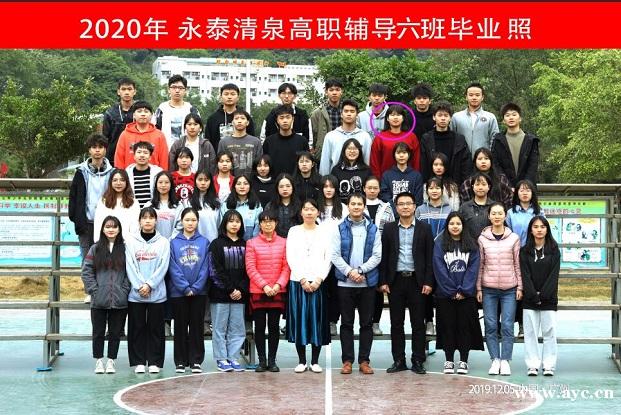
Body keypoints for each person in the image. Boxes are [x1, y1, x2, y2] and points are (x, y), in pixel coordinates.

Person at [379, 192, 434, 375]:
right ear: (396, 207)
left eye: (408, 203)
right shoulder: (389, 229)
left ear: (414, 206)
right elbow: (384, 256)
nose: (404, 207)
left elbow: (429, 257)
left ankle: (418, 360)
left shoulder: (425, 228)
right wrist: (383, 280)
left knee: (418, 323)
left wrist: (428, 281)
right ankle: (399, 360)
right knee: (396, 323)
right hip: (395, 281)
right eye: (401, 204)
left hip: (417, 281)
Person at [331, 193, 382, 375]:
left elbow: (377, 256)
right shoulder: (339, 228)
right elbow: (335, 255)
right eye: (353, 204)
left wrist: (360, 271)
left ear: (364, 206)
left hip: (367, 283)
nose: (356, 207)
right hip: (345, 284)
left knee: (366, 324)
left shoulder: (373, 229)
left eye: (359, 204)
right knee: (346, 323)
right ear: (348, 206)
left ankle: (364, 361)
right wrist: (350, 272)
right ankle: (347, 361)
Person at [432, 212, 483, 375]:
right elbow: (439, 268)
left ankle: (463, 360)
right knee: (447, 327)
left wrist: (463, 290)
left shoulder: (472, 245)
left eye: (458, 224)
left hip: (466, 296)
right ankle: (448, 360)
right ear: (447, 226)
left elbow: (473, 269)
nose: (455, 226)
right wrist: (452, 290)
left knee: (464, 328)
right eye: (452, 223)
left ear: (463, 226)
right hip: (445, 295)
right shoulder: (440, 244)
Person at [286, 199, 332, 373]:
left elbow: (328, 258)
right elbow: (290, 256)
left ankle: (315, 361)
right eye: (306, 209)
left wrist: (319, 279)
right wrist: (303, 279)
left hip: (318, 282)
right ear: (301, 212)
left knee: (316, 320)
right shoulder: (294, 231)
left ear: (318, 212)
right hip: (298, 281)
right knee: (300, 320)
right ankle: (301, 361)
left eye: (312, 209)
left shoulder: (324, 232)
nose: (309, 212)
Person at [476, 202, 523, 376]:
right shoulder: (482, 239)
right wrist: (478, 288)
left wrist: (520, 286)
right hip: (488, 289)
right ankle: (495, 359)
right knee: (490, 324)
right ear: (489, 216)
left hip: (510, 289)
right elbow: (480, 265)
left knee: (508, 325)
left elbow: (517, 264)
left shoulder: (514, 238)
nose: (497, 216)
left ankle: (505, 360)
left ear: (505, 216)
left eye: (500, 213)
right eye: (493, 213)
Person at [81, 216, 130, 374]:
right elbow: (86, 271)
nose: (111, 229)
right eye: (108, 227)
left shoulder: (125, 249)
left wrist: (124, 290)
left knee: (115, 333)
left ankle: (111, 361)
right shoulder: (95, 249)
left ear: (119, 229)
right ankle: (98, 361)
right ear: (102, 229)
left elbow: (131, 272)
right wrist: (94, 290)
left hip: (119, 300)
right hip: (99, 300)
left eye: (114, 227)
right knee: (98, 332)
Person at [126, 207, 170, 374]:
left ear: (156, 221)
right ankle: (138, 361)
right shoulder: (131, 241)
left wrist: (150, 284)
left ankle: (154, 361)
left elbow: (163, 266)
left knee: (155, 329)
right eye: (144, 218)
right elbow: (130, 265)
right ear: (139, 221)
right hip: (136, 294)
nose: (148, 221)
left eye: (151, 218)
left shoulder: (163, 242)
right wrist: (140, 286)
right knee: (136, 328)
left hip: (157, 294)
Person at [245, 210, 291, 372]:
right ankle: (261, 360)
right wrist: (264, 285)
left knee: (273, 326)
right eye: (264, 221)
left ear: (276, 223)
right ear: (260, 224)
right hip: (258, 291)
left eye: (271, 221)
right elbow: (250, 267)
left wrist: (278, 285)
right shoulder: (251, 243)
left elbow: (287, 267)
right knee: (259, 327)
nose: (268, 224)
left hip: (277, 291)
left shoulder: (284, 242)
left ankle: (272, 360)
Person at [168, 207, 210, 374]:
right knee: (180, 326)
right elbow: (173, 267)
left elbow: (205, 267)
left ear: (197, 222)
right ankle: (180, 361)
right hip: (178, 293)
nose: (190, 223)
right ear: (181, 221)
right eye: (187, 220)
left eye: (193, 220)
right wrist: (185, 287)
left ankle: (196, 360)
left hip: (199, 293)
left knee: (196, 326)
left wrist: (196, 287)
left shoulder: (204, 242)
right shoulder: (173, 242)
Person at [208, 209, 249, 372]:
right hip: (220, 295)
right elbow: (214, 270)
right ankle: (221, 358)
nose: (234, 224)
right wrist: (231, 289)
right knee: (219, 328)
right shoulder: (216, 244)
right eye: (231, 221)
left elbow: (249, 270)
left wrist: (240, 289)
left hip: (240, 296)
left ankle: (233, 357)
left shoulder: (246, 244)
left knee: (238, 328)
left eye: (237, 221)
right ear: (225, 223)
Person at [520, 216, 560, 377]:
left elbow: (553, 276)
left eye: (542, 227)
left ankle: (549, 365)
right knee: (530, 333)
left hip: (548, 299)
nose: (539, 230)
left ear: (547, 229)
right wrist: (533, 294)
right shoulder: (524, 251)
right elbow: (525, 275)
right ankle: (532, 365)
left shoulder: (554, 250)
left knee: (550, 332)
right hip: (529, 299)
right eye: (536, 227)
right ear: (531, 230)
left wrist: (543, 295)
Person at [69, 133, 113, 264]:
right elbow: (73, 198)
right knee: (87, 262)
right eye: (94, 147)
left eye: (100, 147)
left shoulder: (112, 173)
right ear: (89, 150)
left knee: (105, 261)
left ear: (105, 149)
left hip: (107, 225)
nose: (97, 150)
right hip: (86, 224)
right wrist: (78, 220)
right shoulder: (81, 172)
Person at [188, 170, 221, 336]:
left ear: (210, 182)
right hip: (193, 248)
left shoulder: (216, 203)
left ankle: (206, 322)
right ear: (195, 181)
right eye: (200, 179)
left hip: (212, 249)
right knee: (195, 284)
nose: (203, 183)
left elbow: (221, 226)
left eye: (206, 180)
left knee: (209, 285)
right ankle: (193, 321)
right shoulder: (188, 202)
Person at [363, 176, 395, 336]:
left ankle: (375, 322)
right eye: (369, 187)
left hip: (382, 254)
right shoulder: (357, 205)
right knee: (364, 290)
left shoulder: (386, 207)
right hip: (361, 255)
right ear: (364, 189)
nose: (372, 190)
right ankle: (365, 322)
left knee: (378, 289)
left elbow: (391, 231)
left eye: (375, 188)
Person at [420, 101, 472, 185]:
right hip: (433, 185)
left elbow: (466, 164)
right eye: (440, 115)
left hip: (455, 183)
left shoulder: (459, 139)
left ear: (450, 118)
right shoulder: (426, 139)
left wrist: (464, 185)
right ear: (434, 117)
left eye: (446, 115)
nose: (443, 118)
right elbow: (423, 164)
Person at [491, 103, 539, 188]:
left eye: (514, 114)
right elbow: (496, 166)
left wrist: (524, 186)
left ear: (520, 118)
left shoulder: (531, 141)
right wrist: (507, 186)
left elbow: (532, 167)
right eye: (507, 115)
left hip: (526, 189)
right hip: (504, 189)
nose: (511, 118)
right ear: (503, 120)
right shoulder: (498, 140)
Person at [319, 99, 372, 175]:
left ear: (357, 115)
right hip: (335, 178)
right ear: (341, 114)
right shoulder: (330, 136)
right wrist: (325, 180)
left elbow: (367, 161)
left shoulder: (365, 137)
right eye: (346, 111)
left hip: (358, 178)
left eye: (352, 111)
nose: (349, 114)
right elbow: (325, 163)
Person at [114, 101, 169, 170]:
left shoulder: (159, 135)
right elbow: (119, 158)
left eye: (146, 111)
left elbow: (164, 159)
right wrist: (120, 174)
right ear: (134, 115)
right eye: (139, 111)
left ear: (151, 115)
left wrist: (163, 174)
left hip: (154, 175)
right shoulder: (125, 134)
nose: (143, 114)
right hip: (129, 175)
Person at [370, 104, 420, 179]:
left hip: (408, 179)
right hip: (386, 180)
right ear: (387, 118)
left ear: (403, 118)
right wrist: (378, 180)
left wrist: (415, 178)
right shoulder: (379, 138)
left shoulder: (411, 137)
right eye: (392, 115)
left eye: (398, 115)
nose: (395, 117)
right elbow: (375, 161)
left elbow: (416, 160)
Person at [153, 74, 200, 151]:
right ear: (168, 89)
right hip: (165, 151)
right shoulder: (162, 109)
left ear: (185, 90)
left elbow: (198, 132)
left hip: (188, 152)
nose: (177, 91)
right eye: (174, 87)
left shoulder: (191, 110)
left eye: (180, 88)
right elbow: (155, 131)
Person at [93, 168, 140, 243]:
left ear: (127, 182)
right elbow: (98, 223)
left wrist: (131, 243)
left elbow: (135, 227)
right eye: (115, 180)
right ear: (110, 182)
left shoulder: (134, 202)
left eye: (122, 180)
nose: (118, 183)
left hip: (127, 243)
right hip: (106, 243)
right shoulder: (103, 201)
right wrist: (98, 242)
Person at [450, 82, 500, 153]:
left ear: (482, 97)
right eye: (471, 95)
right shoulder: (456, 117)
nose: (474, 98)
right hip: (461, 158)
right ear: (466, 97)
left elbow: (495, 140)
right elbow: (451, 138)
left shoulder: (490, 117)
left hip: (483, 158)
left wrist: (489, 156)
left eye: (477, 95)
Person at [205, 83, 256, 151]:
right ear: (221, 97)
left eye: (233, 94)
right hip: (220, 156)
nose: (229, 97)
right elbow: (209, 142)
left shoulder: (245, 117)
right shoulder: (213, 119)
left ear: (238, 97)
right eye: (226, 94)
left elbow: (252, 138)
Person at [263, 104, 309, 177]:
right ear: (277, 120)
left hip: (297, 182)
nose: (285, 120)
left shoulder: (302, 141)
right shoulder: (269, 141)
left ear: (293, 119)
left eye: (288, 117)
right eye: (281, 118)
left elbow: (306, 164)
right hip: (274, 181)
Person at [218, 109, 263, 177]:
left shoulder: (256, 142)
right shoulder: (223, 142)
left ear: (247, 122)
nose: (239, 121)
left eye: (242, 118)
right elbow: (220, 164)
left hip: (251, 180)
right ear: (232, 122)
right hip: (230, 181)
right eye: (236, 118)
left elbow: (260, 164)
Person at [102, 78, 136, 165]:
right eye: (123, 89)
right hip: (113, 158)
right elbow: (105, 138)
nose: (127, 92)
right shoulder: (110, 113)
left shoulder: (141, 111)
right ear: (118, 92)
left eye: (129, 89)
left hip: (137, 157)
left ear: (134, 92)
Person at [379, 142, 424, 207]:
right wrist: (395, 209)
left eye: (404, 152)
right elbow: (385, 196)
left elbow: (418, 199)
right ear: (394, 155)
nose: (401, 155)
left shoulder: (416, 176)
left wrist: (409, 209)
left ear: (409, 154)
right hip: (391, 211)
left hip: (411, 211)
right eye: (398, 153)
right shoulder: (386, 175)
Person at [219, 174, 263, 240]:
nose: (242, 187)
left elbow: (258, 228)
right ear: (234, 186)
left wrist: (253, 243)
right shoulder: (226, 205)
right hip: (229, 243)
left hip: (251, 243)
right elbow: (222, 226)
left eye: (245, 184)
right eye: (239, 184)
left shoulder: (256, 206)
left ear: (250, 186)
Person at [330, 138, 372, 203]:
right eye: (349, 148)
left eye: (355, 149)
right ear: (344, 151)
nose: (352, 151)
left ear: (359, 151)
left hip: (360, 206)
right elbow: (333, 192)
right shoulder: (336, 170)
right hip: (341, 206)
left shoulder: (366, 170)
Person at [310, 78, 343, 158]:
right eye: (331, 90)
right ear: (326, 92)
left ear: (341, 91)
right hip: (324, 153)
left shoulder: (347, 111)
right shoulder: (317, 113)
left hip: (344, 151)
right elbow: (314, 136)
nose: (334, 93)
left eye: (337, 90)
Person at [125, 141, 163, 208]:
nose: (142, 155)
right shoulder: (127, 173)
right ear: (134, 156)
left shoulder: (158, 172)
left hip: (153, 210)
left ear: (150, 157)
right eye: (139, 152)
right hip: (133, 210)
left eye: (145, 153)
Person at [458, 172, 495, 239]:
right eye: (477, 184)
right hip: (469, 243)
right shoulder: (464, 207)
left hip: (491, 243)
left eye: (483, 184)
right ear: (472, 187)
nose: (480, 187)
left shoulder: (495, 207)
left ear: (489, 187)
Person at [265, 173, 302, 238]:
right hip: (275, 240)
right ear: (277, 188)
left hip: (296, 239)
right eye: (281, 186)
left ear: (293, 187)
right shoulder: (270, 206)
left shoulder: (300, 205)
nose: (285, 189)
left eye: (288, 186)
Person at [507, 180, 543, 246]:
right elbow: (507, 234)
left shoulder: (539, 212)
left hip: (534, 248)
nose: (525, 193)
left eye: (528, 191)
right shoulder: (510, 213)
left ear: (532, 193)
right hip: (516, 248)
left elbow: (544, 230)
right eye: (522, 191)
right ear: (517, 193)